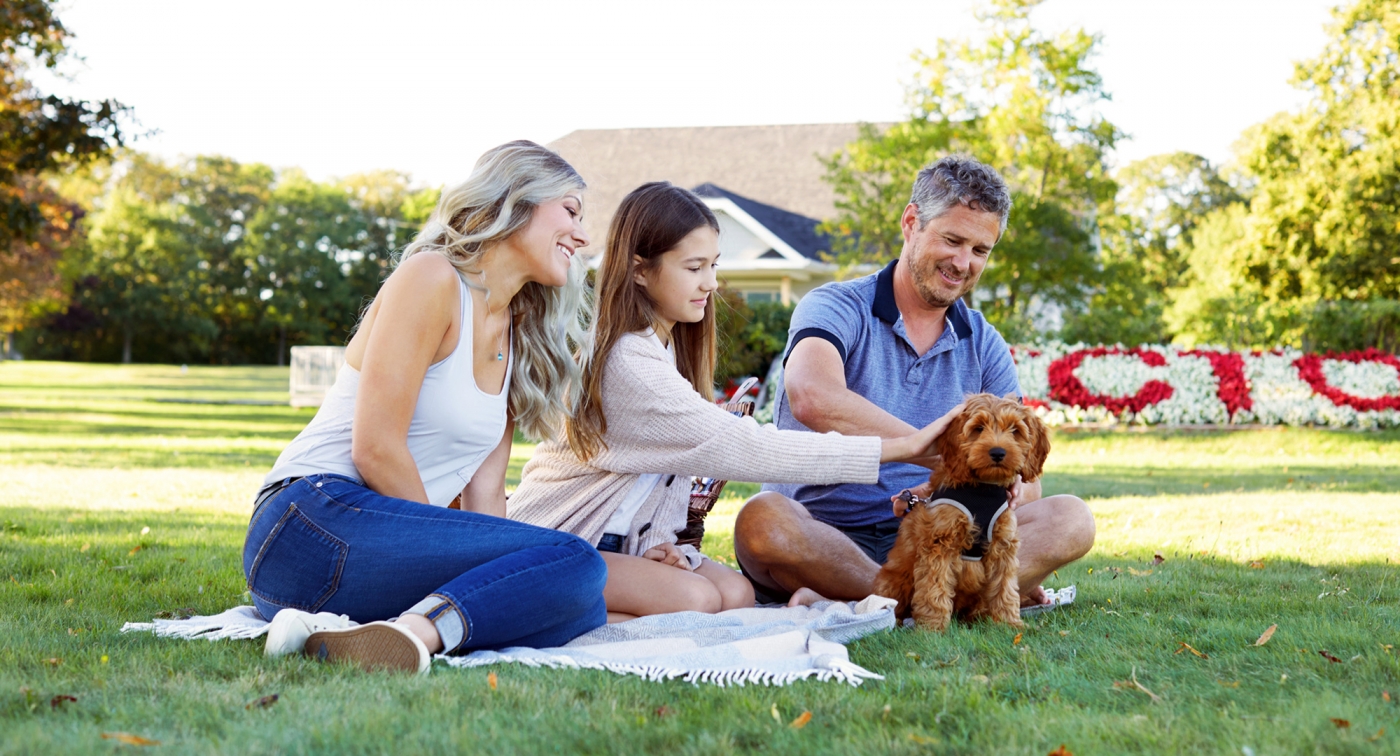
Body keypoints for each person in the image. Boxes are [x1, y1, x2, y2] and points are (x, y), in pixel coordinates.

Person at [507, 182, 960, 621]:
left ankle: (611, 604)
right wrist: (904, 446)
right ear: (639, 269)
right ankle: (542, 613)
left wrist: (665, 547)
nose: (711, 283)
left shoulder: (665, 351)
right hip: (558, 542)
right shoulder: (627, 360)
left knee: (736, 593)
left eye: (713, 265)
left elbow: (660, 475)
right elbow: (749, 448)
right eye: (693, 267)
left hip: (618, 544)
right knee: (697, 601)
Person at [242, 141, 608, 674]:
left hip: (363, 563)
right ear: (515, 202)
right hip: (307, 525)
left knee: (582, 596)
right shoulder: (433, 278)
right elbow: (375, 448)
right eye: (571, 211)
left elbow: (485, 497)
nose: (582, 235)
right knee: (572, 561)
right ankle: (420, 627)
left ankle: (357, 634)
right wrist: (445, 548)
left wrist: (479, 551)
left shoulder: (517, 335)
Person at [733, 155, 1096, 608]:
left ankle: (873, 601)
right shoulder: (834, 305)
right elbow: (812, 395)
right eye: (952, 239)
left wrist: (1010, 484)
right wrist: (944, 457)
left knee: (1071, 518)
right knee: (761, 521)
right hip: (825, 532)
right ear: (911, 222)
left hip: (946, 536)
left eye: (980, 250)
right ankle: (961, 598)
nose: (963, 263)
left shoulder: (984, 341)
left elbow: (1028, 476)